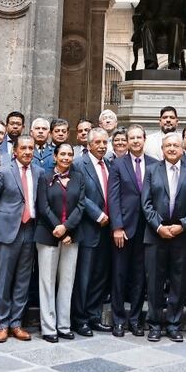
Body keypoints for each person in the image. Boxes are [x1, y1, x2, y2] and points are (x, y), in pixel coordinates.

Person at [141, 132, 186, 342]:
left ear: (182, 148)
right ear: (162, 148)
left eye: (175, 146)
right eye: (167, 145)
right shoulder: (151, 171)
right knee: (155, 283)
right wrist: (158, 226)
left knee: (179, 281)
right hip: (155, 235)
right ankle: (154, 324)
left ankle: (173, 324)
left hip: (182, 236)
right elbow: (146, 203)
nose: (171, 149)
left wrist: (183, 225)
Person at [0, 137, 42, 343]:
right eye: (23, 148)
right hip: (8, 233)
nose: (27, 151)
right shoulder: (4, 171)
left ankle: (16, 323)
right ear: (15, 151)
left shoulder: (39, 172)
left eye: (30, 148)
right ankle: (2, 324)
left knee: (23, 280)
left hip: (30, 231)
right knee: (4, 279)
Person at [108, 125, 155, 337]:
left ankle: (135, 319)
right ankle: (118, 319)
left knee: (139, 275)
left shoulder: (155, 164)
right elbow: (113, 197)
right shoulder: (118, 164)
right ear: (126, 141)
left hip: (147, 228)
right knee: (119, 274)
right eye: (132, 138)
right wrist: (117, 226)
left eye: (139, 137)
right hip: (124, 229)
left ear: (144, 139)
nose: (135, 141)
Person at [35, 143, 86, 342]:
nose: (66, 157)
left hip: (71, 236)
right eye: (62, 154)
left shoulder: (78, 178)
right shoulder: (44, 177)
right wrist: (58, 228)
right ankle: (48, 328)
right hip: (48, 234)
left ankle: (64, 326)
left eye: (69, 154)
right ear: (54, 157)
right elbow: (43, 206)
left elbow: (81, 206)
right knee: (46, 282)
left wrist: (66, 228)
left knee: (67, 282)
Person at [72, 128, 113, 336]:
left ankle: (94, 315)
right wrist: (97, 214)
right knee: (84, 276)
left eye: (105, 142)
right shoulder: (79, 164)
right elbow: (79, 194)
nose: (102, 146)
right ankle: (80, 319)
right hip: (89, 227)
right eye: (97, 142)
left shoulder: (109, 164)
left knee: (99, 275)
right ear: (89, 145)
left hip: (107, 230)